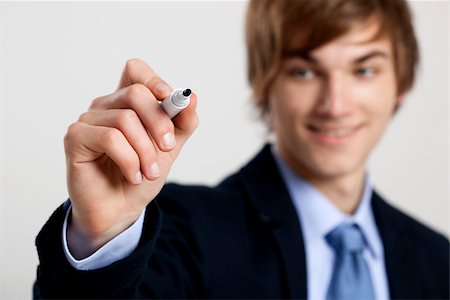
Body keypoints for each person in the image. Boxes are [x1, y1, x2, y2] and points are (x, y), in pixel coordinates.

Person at [34, 0, 449, 299]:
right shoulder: (182, 233)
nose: (335, 104)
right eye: (304, 71)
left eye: (364, 69)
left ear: (402, 81)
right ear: (264, 83)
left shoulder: (439, 261)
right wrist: (102, 235)